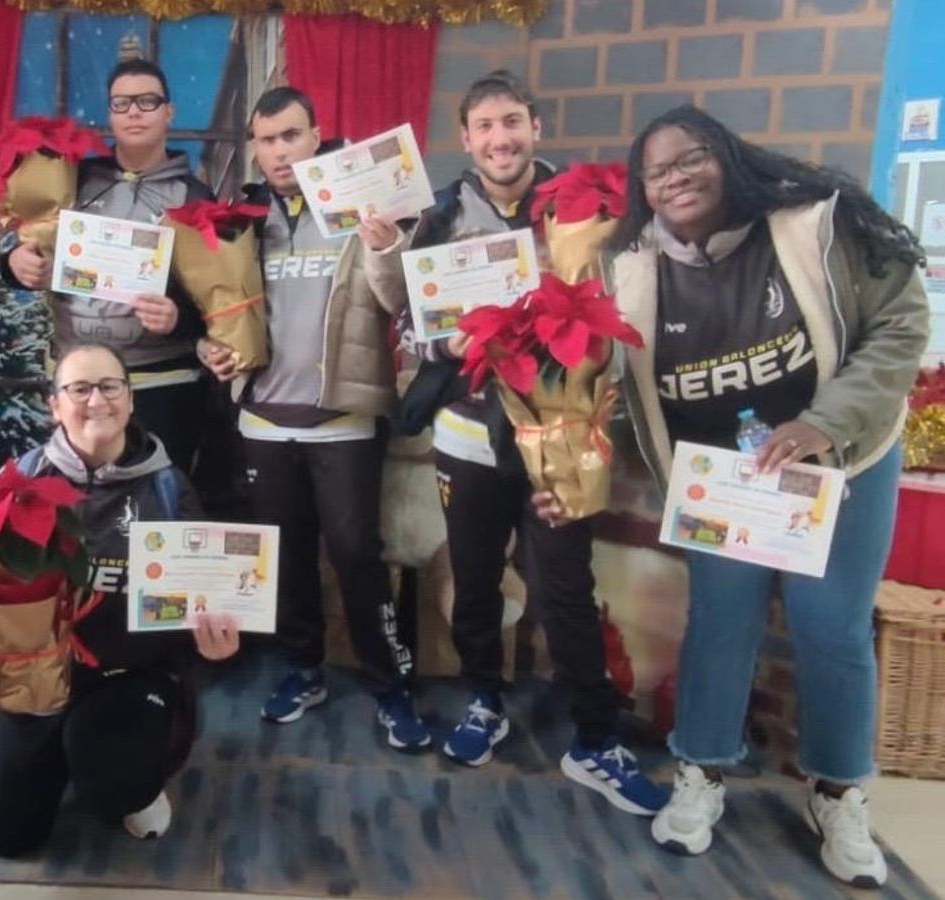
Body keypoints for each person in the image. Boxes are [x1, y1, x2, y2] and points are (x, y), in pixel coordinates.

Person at [599, 105, 928, 887]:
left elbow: (901, 325)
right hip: (727, 486)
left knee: (832, 628)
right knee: (719, 624)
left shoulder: (815, 225)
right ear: (642, 188)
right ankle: (701, 771)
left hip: (840, 464)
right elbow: (618, 393)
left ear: (730, 156)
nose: (676, 178)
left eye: (692, 158)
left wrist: (823, 424)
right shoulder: (630, 266)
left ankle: (839, 793)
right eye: (657, 171)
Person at [366, 70, 666, 814]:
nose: (499, 139)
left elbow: (628, 304)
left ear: (536, 127)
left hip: (555, 438)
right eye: (485, 127)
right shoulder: (439, 218)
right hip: (468, 435)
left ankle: (594, 738)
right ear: (466, 139)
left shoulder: (585, 209)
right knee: (473, 580)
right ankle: (484, 700)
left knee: (565, 589)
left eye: (511, 122)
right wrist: (449, 343)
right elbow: (406, 322)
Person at [198, 87, 425, 749]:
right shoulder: (242, 218)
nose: (280, 152)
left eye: (291, 136)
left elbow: (399, 300)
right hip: (264, 419)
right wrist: (210, 348)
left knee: (356, 555)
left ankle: (389, 686)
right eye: (267, 140)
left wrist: (385, 245)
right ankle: (303, 669)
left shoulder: (361, 202)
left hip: (343, 418)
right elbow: (215, 309)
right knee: (286, 557)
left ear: (317, 135)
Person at [0, 343, 240, 857]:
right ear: (55, 405)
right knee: (2, 833)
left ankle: (141, 761)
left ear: (130, 399)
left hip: (130, 675)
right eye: (79, 389)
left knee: (113, 786)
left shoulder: (168, 488)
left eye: (110, 386)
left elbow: (201, 593)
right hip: (35, 674)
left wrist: (213, 644)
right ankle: (47, 752)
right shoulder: (19, 480)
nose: (97, 401)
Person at [1, 58, 214, 473]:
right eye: (122, 103)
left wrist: (179, 317)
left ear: (169, 112)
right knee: (78, 498)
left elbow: (218, 300)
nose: (134, 112)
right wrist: (15, 264)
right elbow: (27, 246)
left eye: (147, 101)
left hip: (162, 383)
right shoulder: (70, 182)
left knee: (160, 500)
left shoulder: (194, 197)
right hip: (80, 383)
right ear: (110, 113)